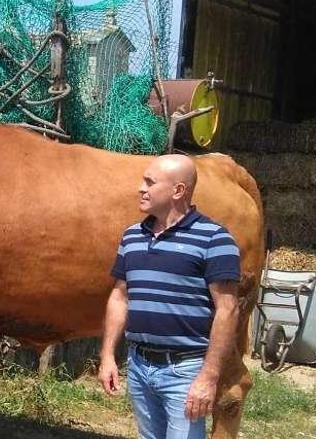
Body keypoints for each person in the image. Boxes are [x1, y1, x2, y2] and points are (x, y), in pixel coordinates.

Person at [98, 154, 240, 439]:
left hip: (185, 371)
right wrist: (108, 356)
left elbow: (228, 310)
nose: (140, 188)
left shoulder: (215, 239)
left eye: (150, 182)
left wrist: (209, 377)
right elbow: (120, 296)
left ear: (178, 191)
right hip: (138, 365)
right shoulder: (132, 236)